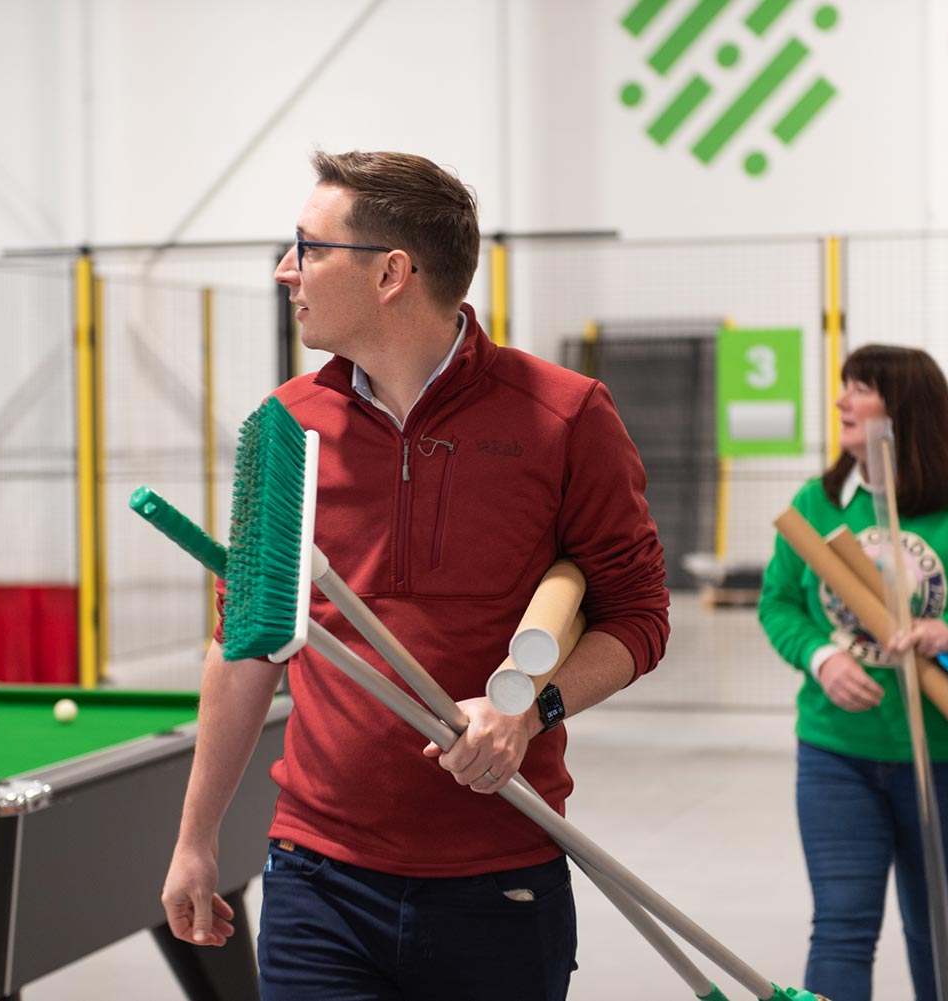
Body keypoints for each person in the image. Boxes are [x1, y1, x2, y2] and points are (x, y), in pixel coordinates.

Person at [159, 150, 670, 1001]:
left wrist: (526, 712)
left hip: (501, 880)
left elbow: (638, 617)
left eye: (309, 247)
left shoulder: (564, 416)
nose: (287, 270)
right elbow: (244, 644)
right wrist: (196, 836)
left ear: (392, 271)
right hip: (316, 878)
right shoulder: (286, 426)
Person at [758, 344, 948, 1001]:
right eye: (843, 387)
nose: (840, 400)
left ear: (905, 411)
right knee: (841, 923)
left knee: (934, 923)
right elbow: (778, 602)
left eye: (859, 389)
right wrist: (822, 656)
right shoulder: (820, 499)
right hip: (837, 750)